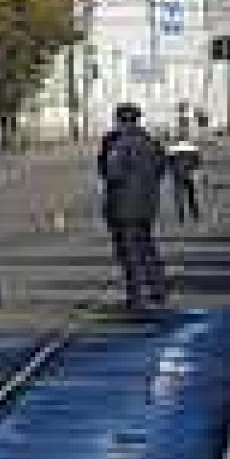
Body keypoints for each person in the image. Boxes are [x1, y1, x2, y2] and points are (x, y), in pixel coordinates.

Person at [98, 103, 168, 310]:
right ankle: (158, 289)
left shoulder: (116, 143)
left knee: (129, 253)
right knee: (147, 247)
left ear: (119, 119)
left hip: (123, 206)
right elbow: (160, 168)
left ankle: (135, 296)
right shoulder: (151, 141)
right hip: (147, 204)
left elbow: (111, 172)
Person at [166, 140, 201, 223]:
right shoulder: (182, 157)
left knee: (186, 197)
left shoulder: (180, 157)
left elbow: (196, 164)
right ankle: (187, 215)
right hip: (183, 177)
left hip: (184, 177)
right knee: (185, 198)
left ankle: (188, 215)